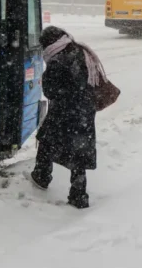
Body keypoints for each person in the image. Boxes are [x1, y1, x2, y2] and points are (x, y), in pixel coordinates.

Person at [28, 26, 106, 209]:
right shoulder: (80, 50)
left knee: (46, 141)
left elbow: (50, 91)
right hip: (84, 111)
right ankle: (79, 195)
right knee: (79, 152)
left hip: (65, 111)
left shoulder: (58, 60)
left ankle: (42, 176)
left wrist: (49, 81)